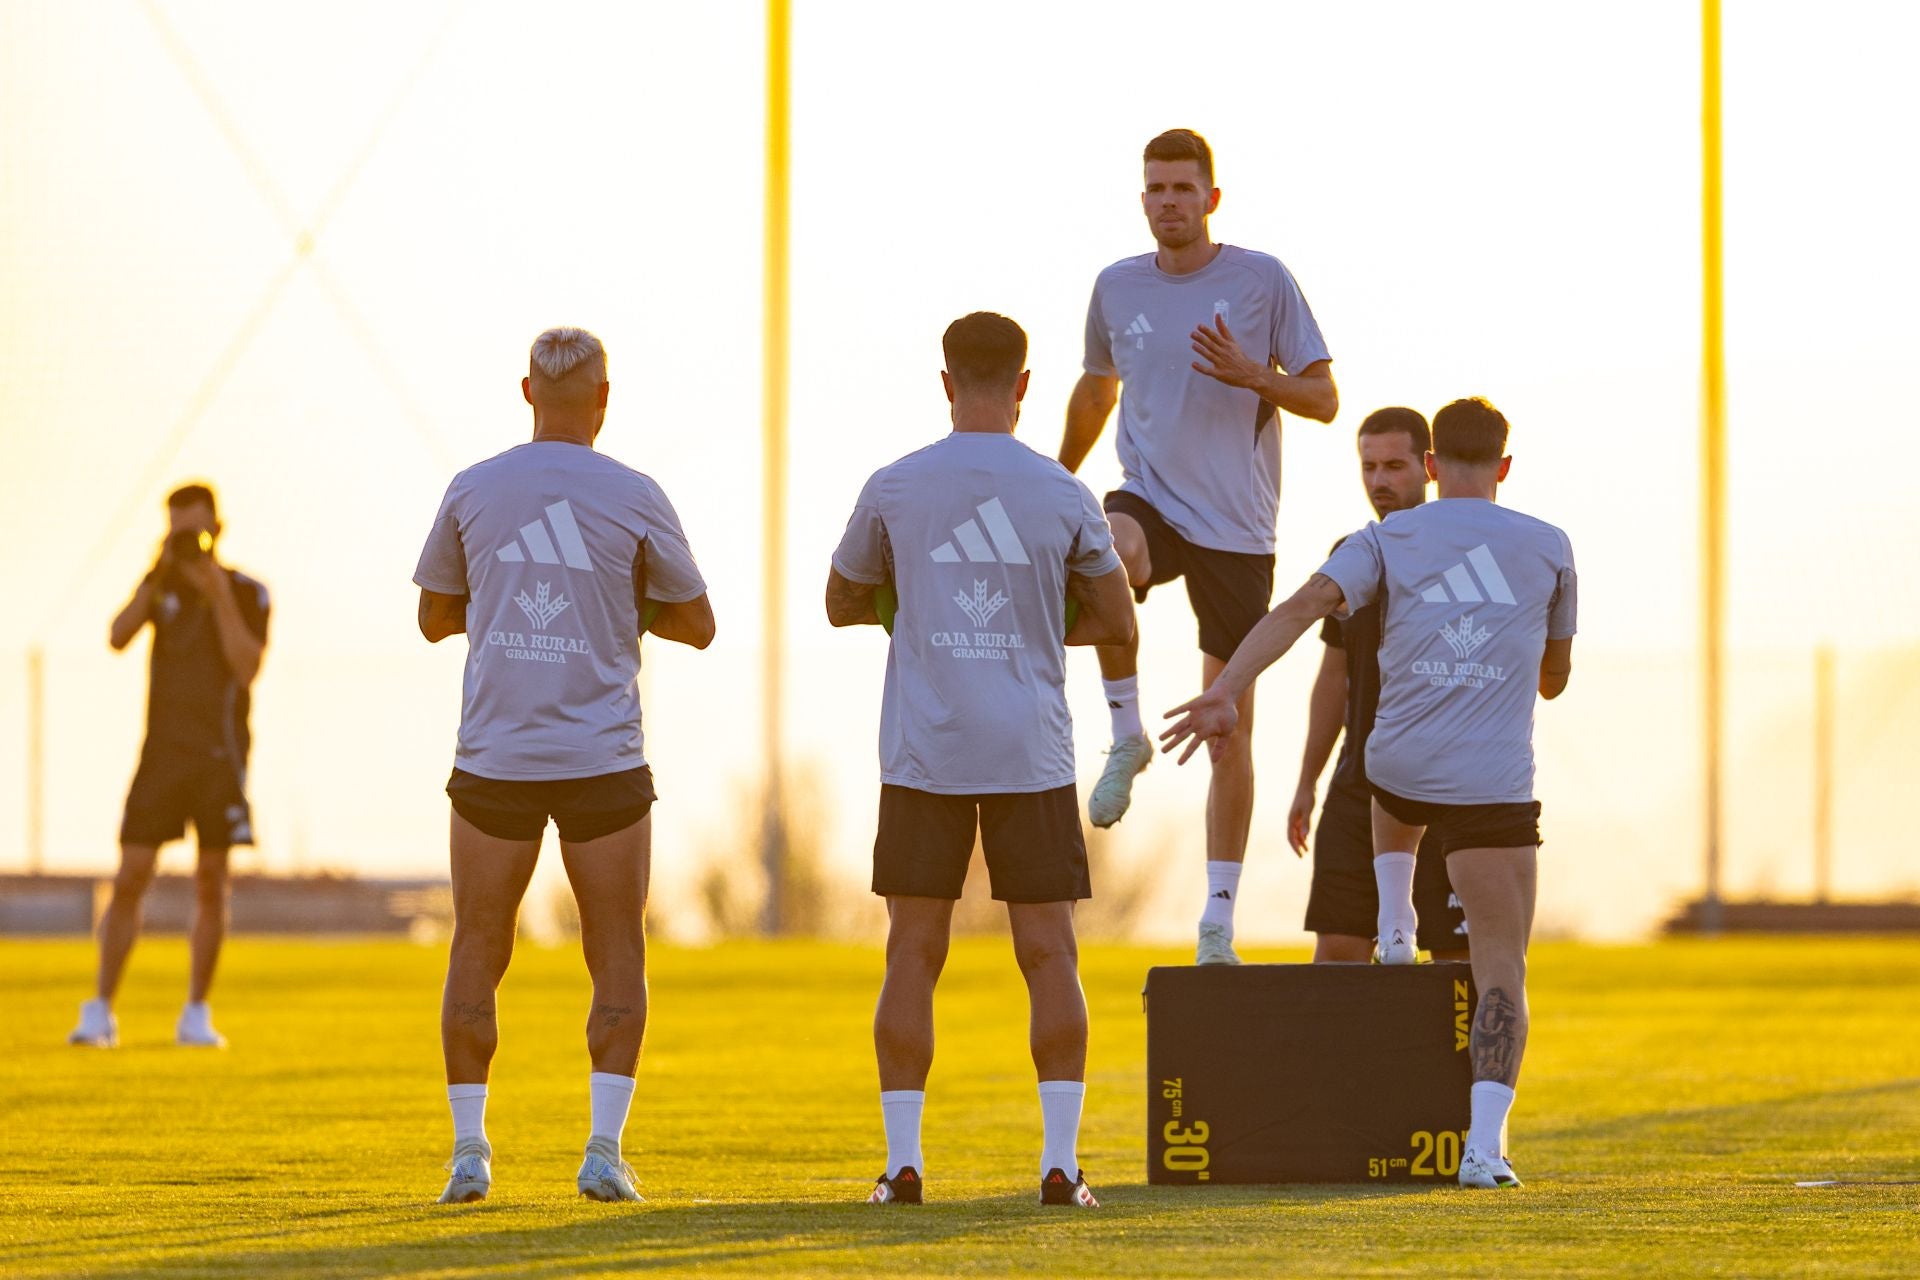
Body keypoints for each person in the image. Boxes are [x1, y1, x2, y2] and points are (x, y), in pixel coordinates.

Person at [1160, 398, 1575, 1189]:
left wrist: (1228, 690)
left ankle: (1394, 919)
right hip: (1491, 788)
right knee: (1500, 968)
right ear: (1505, 468)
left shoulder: (1382, 540)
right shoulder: (1550, 547)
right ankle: (1484, 1150)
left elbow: (1301, 607)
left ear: (1428, 466)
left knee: (1391, 773)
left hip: (1395, 775)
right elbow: (1553, 680)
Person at [828, 312, 1136, 1208]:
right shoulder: (1063, 493)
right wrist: (1037, 624)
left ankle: (902, 1165)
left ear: (946, 380)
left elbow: (840, 599)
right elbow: (1120, 621)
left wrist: (905, 611)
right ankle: (1060, 1164)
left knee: (912, 954)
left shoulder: (895, 485)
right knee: (1049, 957)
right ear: (1027, 385)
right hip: (1030, 752)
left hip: (926, 750)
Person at [413, 326, 715, 1205]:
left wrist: (511, 607)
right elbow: (697, 623)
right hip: (601, 757)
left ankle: (470, 1154)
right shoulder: (635, 493)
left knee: (477, 946)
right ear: (604, 400)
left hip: (496, 754)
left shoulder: (474, 487)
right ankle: (601, 1151)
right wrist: (617, 607)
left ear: (526, 394)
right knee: (616, 952)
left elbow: (435, 617)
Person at [1058, 127, 1337, 965]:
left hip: (1237, 530)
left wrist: (1256, 376)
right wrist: (1049, 476)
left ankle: (1217, 919)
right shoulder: (1115, 288)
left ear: (1212, 199)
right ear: (1141, 199)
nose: (1169, 203)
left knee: (1228, 727)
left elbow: (1323, 398)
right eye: (1155, 189)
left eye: (1184, 189)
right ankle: (1126, 732)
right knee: (1108, 553)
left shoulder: (1262, 280)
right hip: (1147, 496)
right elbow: (1098, 386)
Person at [68, 483, 269, 1051]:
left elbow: (248, 666)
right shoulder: (160, 587)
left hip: (220, 756)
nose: (187, 543)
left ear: (216, 530)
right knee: (130, 875)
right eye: (177, 531)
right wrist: (156, 577)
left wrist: (216, 592)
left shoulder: (246, 591)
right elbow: (117, 636)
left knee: (212, 881)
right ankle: (101, 1008)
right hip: (161, 756)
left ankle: (196, 1011)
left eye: (195, 532)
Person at [1287, 408, 1468, 963]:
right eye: (1368, 467)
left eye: (1394, 465)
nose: (1379, 481)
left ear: (1428, 467)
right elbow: (1333, 679)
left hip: (1450, 791)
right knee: (1336, 959)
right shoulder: (1355, 552)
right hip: (1357, 788)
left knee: (1460, 970)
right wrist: (1307, 782)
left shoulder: (1465, 552)